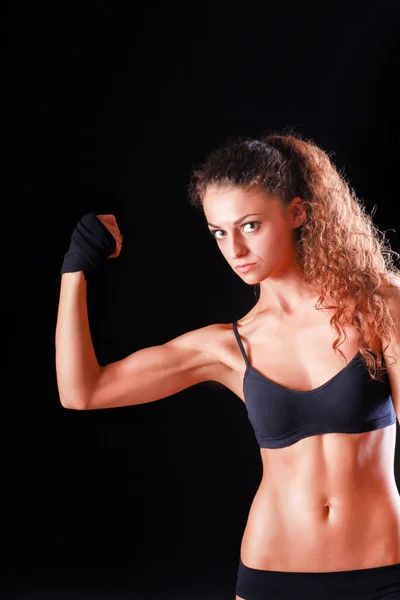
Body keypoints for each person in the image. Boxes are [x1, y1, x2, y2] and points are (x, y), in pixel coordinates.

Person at [55, 132, 400, 599]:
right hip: (271, 573)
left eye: (250, 225)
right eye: (219, 232)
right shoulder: (226, 347)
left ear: (297, 212)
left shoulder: (380, 307)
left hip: (384, 568)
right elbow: (83, 392)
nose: (233, 248)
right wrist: (75, 268)